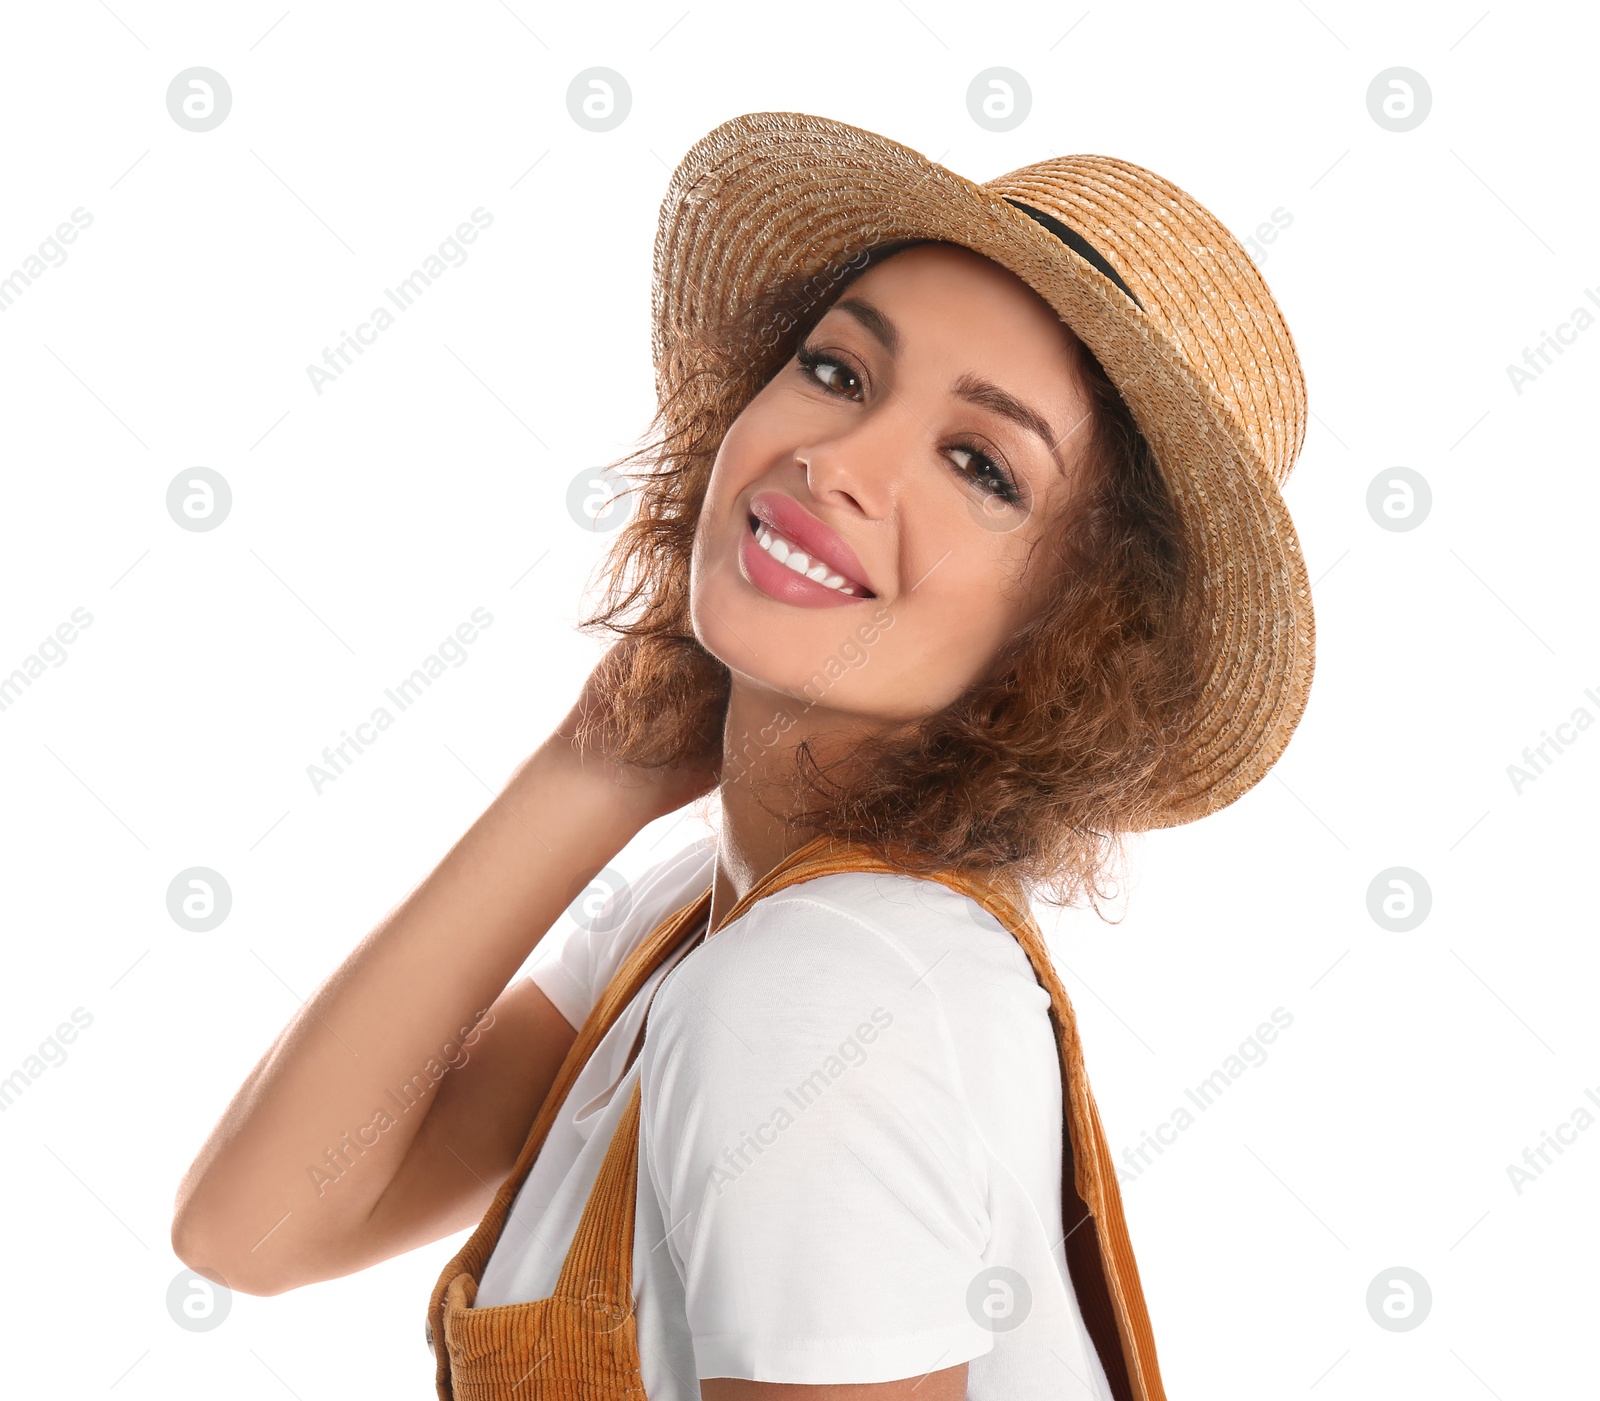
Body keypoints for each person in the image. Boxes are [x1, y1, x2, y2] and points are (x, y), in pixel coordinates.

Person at [171, 112, 1314, 1401]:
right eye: (838, 371)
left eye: (980, 464)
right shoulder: (699, 924)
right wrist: (597, 765)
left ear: (1077, 625)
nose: (839, 461)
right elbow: (254, 1229)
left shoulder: (824, 989)